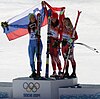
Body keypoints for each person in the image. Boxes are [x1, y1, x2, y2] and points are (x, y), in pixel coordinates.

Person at [28, 14, 43, 78]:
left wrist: (43, 7)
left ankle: (38, 71)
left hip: (37, 42)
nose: (33, 19)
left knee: (38, 57)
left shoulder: (38, 24)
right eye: (31, 18)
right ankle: (33, 71)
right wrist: (9, 25)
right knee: (31, 59)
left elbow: (42, 16)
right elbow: (20, 26)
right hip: (31, 43)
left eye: (34, 18)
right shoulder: (28, 26)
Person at [49, 12, 62, 76]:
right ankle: (54, 71)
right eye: (52, 18)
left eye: (54, 18)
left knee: (56, 57)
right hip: (50, 41)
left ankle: (60, 70)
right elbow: (46, 14)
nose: (53, 19)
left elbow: (61, 34)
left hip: (56, 42)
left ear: (57, 18)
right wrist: (44, 6)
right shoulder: (49, 23)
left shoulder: (59, 24)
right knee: (52, 57)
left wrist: (59, 41)